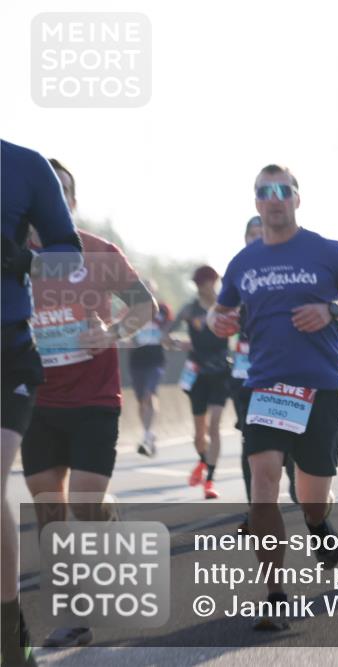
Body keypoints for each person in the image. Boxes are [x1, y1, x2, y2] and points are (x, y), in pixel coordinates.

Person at [208, 164, 338, 630]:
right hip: (267, 385)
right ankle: (275, 594)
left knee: (310, 496)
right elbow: (220, 313)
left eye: (283, 190)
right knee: (263, 481)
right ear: (256, 202)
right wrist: (217, 321)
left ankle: (318, 523)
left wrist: (332, 310)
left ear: (297, 198)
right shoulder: (243, 263)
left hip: (320, 385)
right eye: (265, 192)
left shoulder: (324, 250)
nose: (274, 198)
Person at [22, 158, 155, 648]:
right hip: (37, 399)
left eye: (62, 191)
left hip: (95, 398)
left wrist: (113, 332)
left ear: (71, 202)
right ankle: (75, 615)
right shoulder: (12, 259)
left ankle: (104, 514)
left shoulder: (98, 254)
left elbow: (144, 306)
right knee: (49, 512)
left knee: (84, 501)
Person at [1, 140, 82, 667]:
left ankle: (9, 634)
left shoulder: (24, 166)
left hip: (7, 352)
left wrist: (23, 259)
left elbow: (70, 258)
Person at [231, 216, 297, 525]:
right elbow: (218, 314)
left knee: (295, 448)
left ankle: (309, 500)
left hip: (286, 374)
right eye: (252, 235)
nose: (257, 240)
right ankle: (255, 509)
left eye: (262, 234)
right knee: (252, 445)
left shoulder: (289, 271)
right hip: (247, 375)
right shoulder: (238, 273)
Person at [169, 265, 230, 499]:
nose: (205, 287)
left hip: (221, 372)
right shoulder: (189, 309)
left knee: (215, 426)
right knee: (199, 433)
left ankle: (210, 480)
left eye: (208, 282)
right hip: (197, 375)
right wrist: (178, 343)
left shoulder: (225, 307)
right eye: (201, 284)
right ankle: (203, 461)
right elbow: (165, 335)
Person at [127, 279, 172, 457]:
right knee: (141, 401)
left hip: (155, 359)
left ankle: (147, 435)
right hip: (137, 360)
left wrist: (167, 339)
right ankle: (148, 433)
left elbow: (167, 331)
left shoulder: (163, 310)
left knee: (149, 394)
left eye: (150, 290)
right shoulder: (131, 310)